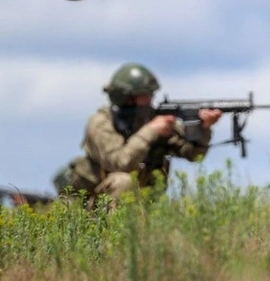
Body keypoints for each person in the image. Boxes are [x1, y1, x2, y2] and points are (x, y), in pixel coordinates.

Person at [57, 62, 222, 206]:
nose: (150, 100)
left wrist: (203, 129)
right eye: (145, 96)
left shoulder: (150, 119)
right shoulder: (101, 123)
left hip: (138, 204)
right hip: (88, 209)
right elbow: (119, 163)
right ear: (126, 98)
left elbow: (193, 155)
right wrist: (151, 131)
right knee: (123, 181)